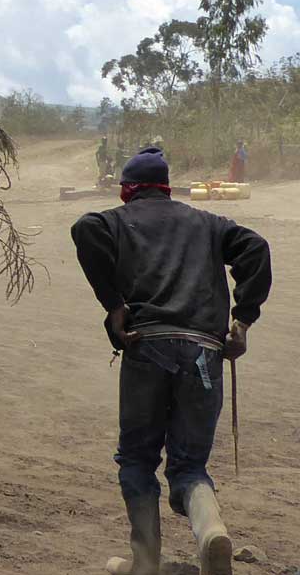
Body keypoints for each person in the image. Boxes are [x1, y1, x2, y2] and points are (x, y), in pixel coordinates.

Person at [70, 147, 271, 575]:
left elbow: (84, 228)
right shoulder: (209, 223)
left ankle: (145, 563)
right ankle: (211, 531)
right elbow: (256, 248)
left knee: (138, 459)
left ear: (127, 189)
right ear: (166, 186)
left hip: (148, 346)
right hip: (203, 350)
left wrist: (114, 305)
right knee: (189, 466)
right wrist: (243, 321)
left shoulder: (116, 221)